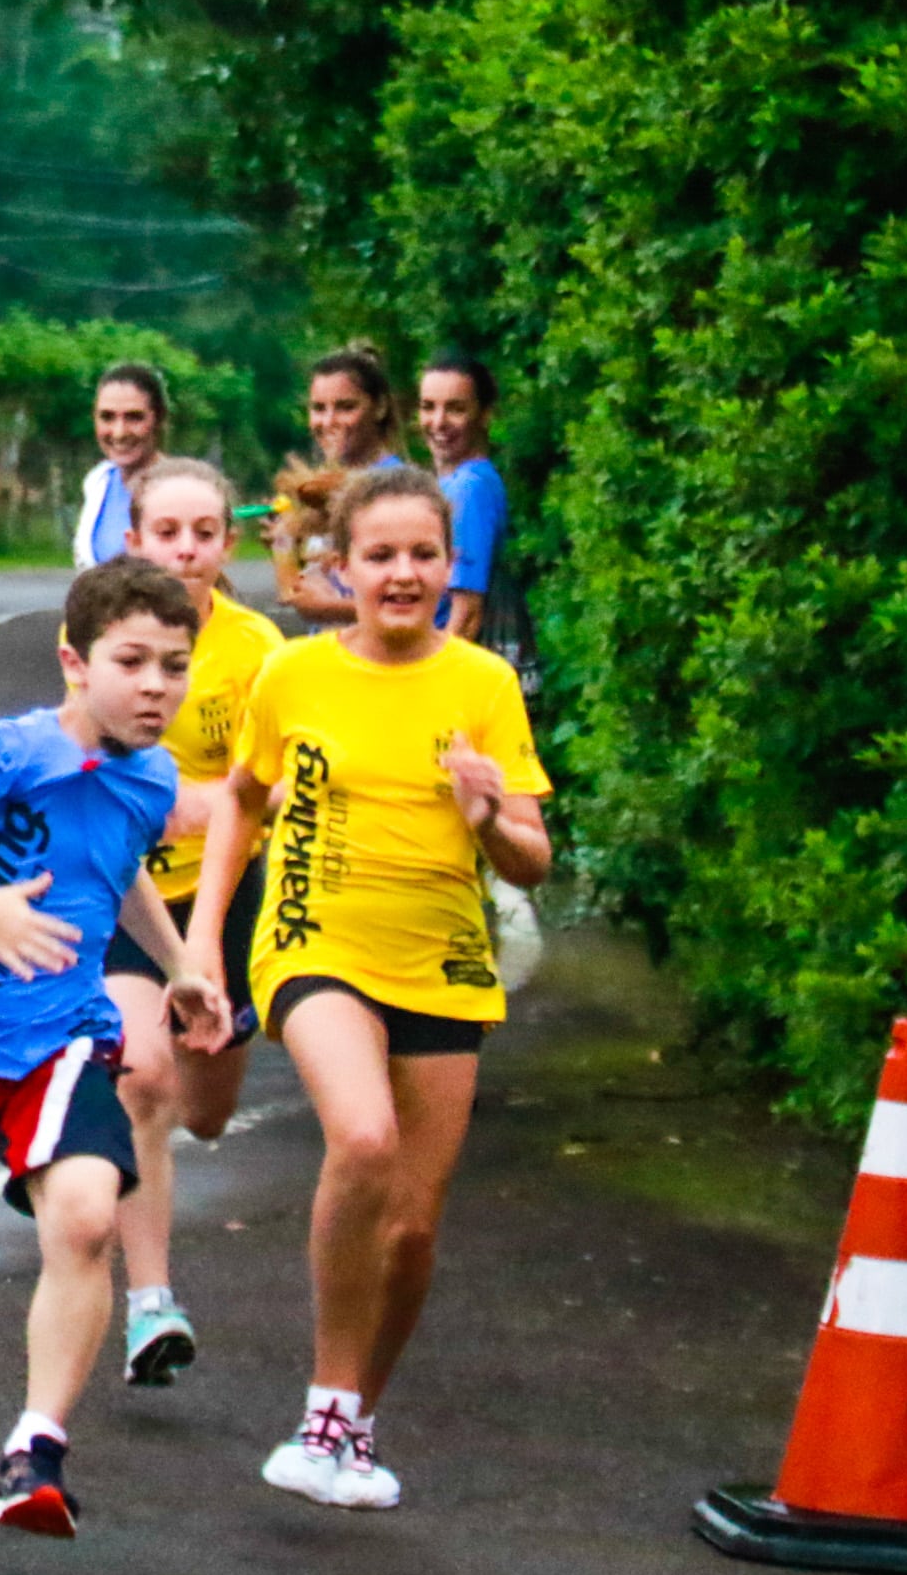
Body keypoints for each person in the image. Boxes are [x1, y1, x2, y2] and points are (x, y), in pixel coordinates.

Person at [184, 462, 550, 1511]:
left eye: (423, 556)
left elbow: (533, 858)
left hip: (442, 960)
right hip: (313, 942)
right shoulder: (293, 675)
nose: (402, 574)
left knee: (415, 1227)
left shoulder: (483, 685)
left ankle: (352, 1422)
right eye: (379, 556)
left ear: (448, 566)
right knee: (366, 1139)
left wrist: (488, 818)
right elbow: (240, 808)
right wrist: (206, 943)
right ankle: (324, 1410)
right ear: (338, 568)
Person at [0, 558, 223, 1537]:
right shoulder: (14, 750)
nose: (156, 686)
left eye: (176, 667)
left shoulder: (153, 776)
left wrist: (181, 963)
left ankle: (37, 1452)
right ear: (75, 661)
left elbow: (120, 867)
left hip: (64, 1035)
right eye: (133, 662)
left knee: (90, 1217)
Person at [101, 457, 287, 1387]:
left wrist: (209, 804)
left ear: (228, 542)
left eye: (202, 533)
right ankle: (150, 1303)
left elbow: (269, 793)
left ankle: (145, 1131)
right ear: (134, 540)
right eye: (165, 532)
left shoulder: (260, 653)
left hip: (224, 897)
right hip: (123, 890)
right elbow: (80, 756)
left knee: (205, 1110)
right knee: (143, 1078)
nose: (184, 550)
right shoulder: (96, 627)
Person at [269, 346, 403, 629]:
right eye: (318, 409)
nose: (328, 422)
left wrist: (327, 609)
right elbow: (292, 592)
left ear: (379, 407)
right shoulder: (321, 488)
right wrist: (283, 540)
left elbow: (415, 603)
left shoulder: (397, 487)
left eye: (345, 407)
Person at [416, 353, 507, 645]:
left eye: (455, 409)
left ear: (484, 415)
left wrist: (434, 681)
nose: (438, 422)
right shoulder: (452, 485)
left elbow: (466, 614)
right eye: (428, 407)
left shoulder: (468, 489)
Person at [68, 362, 167, 569]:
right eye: (107, 417)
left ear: (159, 419)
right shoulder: (98, 482)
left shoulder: (181, 488)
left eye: (134, 417)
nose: (119, 432)